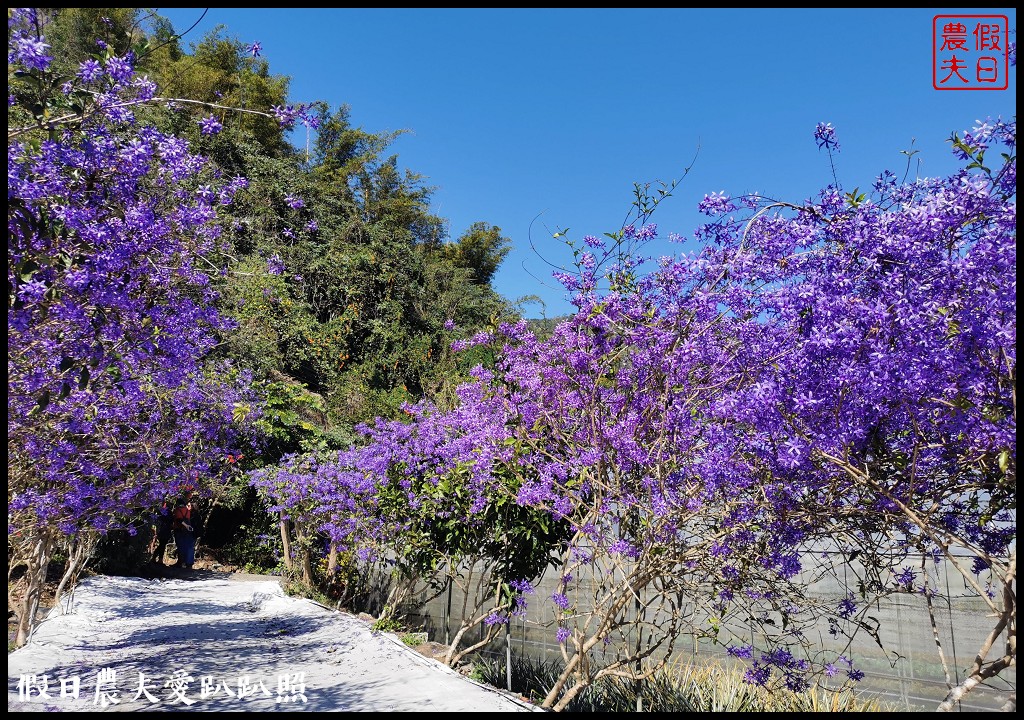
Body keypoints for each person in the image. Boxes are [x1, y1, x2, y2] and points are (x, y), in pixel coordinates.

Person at [172, 496, 196, 570]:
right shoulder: (187, 510)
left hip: (179, 530)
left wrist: (185, 526)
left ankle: (180, 563)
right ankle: (187, 563)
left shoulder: (178, 510)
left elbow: (179, 520)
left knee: (180, 546)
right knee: (187, 546)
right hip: (187, 531)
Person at [151, 499, 173, 565]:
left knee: (162, 544)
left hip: (161, 530)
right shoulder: (168, 512)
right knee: (162, 545)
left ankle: (157, 558)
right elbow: (171, 521)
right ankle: (158, 558)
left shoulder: (159, 511)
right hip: (165, 530)